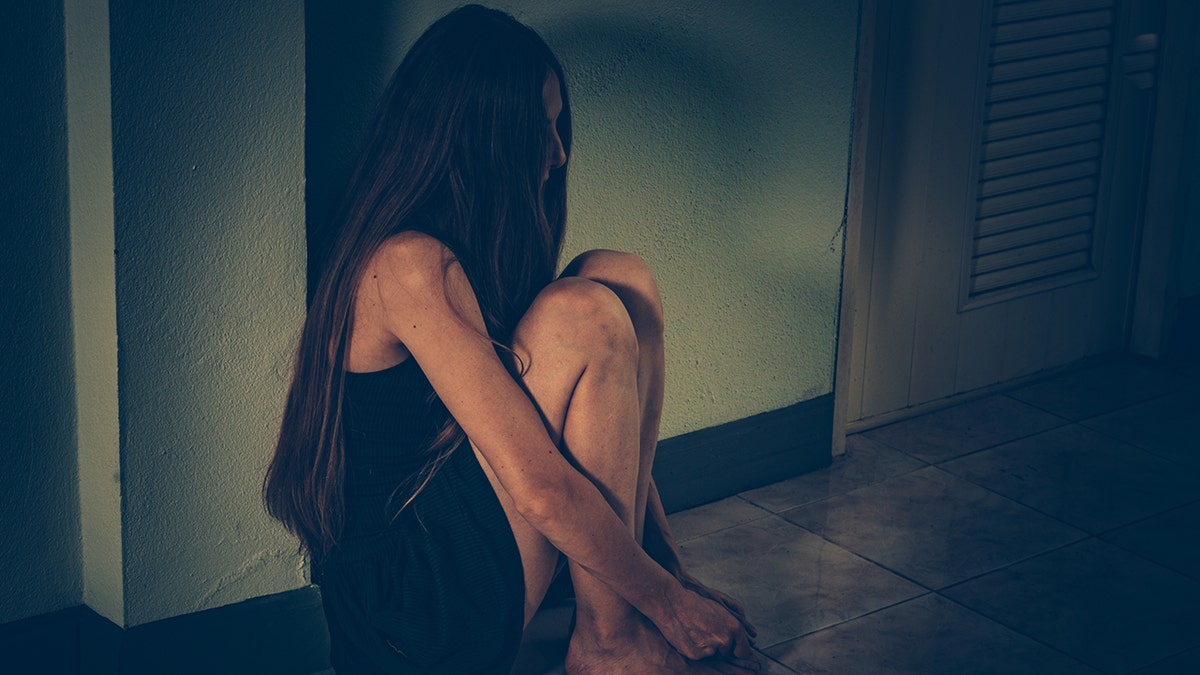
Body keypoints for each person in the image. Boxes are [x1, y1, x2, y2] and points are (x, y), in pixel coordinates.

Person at [264, 5, 758, 673]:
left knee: (620, 279)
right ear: (479, 138)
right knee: (582, 313)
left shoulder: (464, 246)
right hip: (408, 609)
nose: (558, 155)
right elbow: (541, 485)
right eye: (540, 131)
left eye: (560, 129)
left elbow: (595, 442)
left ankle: (617, 619)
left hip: (459, 527)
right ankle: (609, 645)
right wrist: (667, 601)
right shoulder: (406, 263)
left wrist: (668, 569)